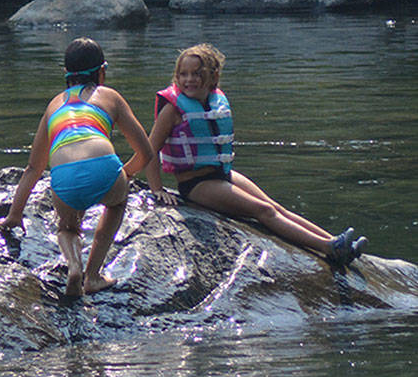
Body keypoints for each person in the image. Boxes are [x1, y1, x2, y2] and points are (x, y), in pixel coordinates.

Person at [146, 43, 366, 267]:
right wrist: (157, 189)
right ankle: (328, 248)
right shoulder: (172, 110)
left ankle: (336, 242)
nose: (188, 80)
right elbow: (149, 149)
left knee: (276, 206)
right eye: (183, 74)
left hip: (222, 175)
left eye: (196, 74)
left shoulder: (214, 101)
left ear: (213, 76)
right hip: (196, 184)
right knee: (264, 211)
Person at [0, 38, 160, 299]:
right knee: (116, 204)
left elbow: (33, 168)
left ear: (66, 75)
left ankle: (73, 265)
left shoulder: (53, 106)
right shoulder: (110, 97)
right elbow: (146, 152)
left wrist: (14, 216)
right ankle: (92, 276)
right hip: (104, 167)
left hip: (65, 178)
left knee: (67, 228)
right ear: (102, 71)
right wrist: (124, 176)